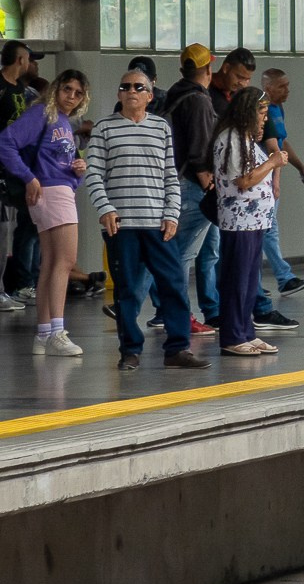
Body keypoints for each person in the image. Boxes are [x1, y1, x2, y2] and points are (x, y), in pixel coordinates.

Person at [86, 69, 206, 371]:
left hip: (158, 224)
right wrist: (106, 209)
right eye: (125, 86)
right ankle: (130, 351)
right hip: (121, 226)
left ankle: (177, 349)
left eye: (139, 87)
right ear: (118, 94)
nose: (131, 91)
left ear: (149, 96)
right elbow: (94, 174)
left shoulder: (161, 128)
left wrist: (171, 214)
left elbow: (170, 175)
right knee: (126, 289)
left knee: (174, 283)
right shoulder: (104, 128)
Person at [0, 68, 89, 355]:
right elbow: (6, 142)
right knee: (64, 261)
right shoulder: (41, 113)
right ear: (56, 88)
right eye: (67, 90)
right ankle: (56, 331)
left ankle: (44, 332)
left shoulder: (61, 119)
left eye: (78, 93)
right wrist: (29, 177)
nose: (71, 97)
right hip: (51, 193)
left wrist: (77, 171)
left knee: (52, 262)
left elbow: (60, 165)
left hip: (55, 190)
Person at [211, 86, 286, 358]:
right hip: (239, 221)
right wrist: (273, 162)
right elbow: (243, 180)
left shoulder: (245, 139)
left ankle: (246, 331)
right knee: (237, 279)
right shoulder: (230, 139)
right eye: (262, 113)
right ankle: (232, 335)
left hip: (254, 221)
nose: (264, 119)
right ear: (247, 112)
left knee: (249, 278)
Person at [160, 44, 219, 335]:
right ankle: (181, 316)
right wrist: (208, 182)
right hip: (192, 185)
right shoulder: (198, 101)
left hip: (174, 180)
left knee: (174, 250)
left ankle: (164, 310)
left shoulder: (175, 93)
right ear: (208, 69)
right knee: (183, 254)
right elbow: (199, 149)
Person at [258, 67, 304, 298]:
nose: (288, 90)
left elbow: (282, 142)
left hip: (272, 176)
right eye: (282, 86)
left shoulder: (278, 109)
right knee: (266, 230)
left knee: (266, 230)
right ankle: (283, 277)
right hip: (263, 178)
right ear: (268, 88)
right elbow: (272, 150)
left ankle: (274, 279)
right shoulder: (263, 111)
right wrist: (275, 181)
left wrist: (300, 166)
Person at [0, 40, 45, 311]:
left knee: (32, 219)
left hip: (18, 169)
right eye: (29, 58)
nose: (31, 63)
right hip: (4, 168)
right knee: (6, 229)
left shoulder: (26, 92)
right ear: (20, 60)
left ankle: (24, 282)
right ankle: (17, 284)